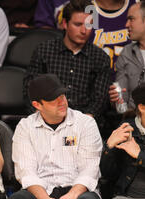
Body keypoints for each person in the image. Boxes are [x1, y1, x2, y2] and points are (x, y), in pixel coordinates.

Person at [24, 0, 111, 131]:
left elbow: (99, 100)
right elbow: (30, 89)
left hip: (84, 125)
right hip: (46, 121)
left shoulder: (100, 58)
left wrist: (83, 124)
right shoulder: (44, 51)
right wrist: (43, 119)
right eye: (78, 24)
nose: (84, 30)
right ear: (64, 23)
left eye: (88, 25)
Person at [109, 0, 145, 111]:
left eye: (131, 19)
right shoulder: (126, 53)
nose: (126, 25)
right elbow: (121, 108)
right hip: (134, 122)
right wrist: (116, 100)